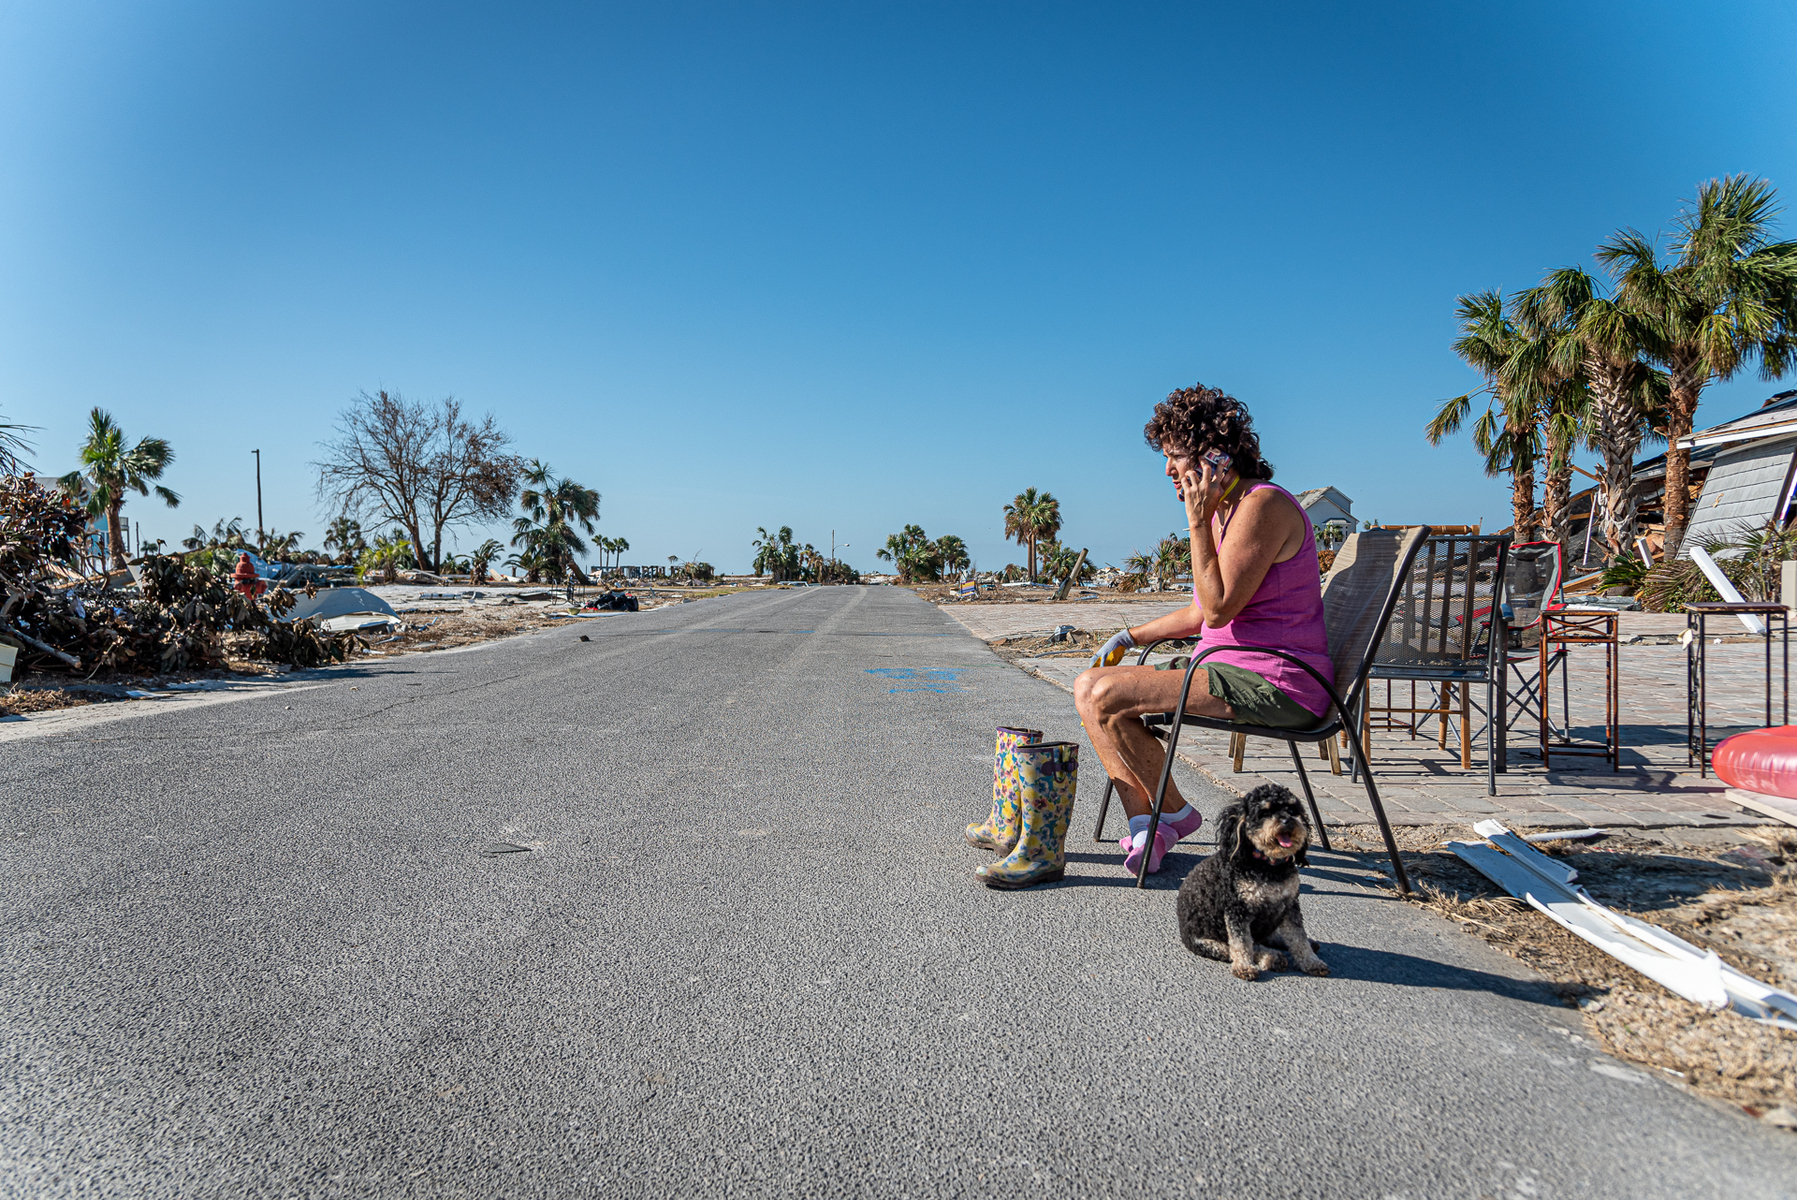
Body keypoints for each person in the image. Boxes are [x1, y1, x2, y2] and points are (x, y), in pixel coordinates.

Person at [1073, 383, 1332, 877]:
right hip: (1228, 671)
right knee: (1089, 687)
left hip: (1277, 682)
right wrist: (1129, 638)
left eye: (1175, 456)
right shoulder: (1229, 511)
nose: (1168, 469)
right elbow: (1198, 613)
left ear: (1215, 455)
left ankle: (1169, 816)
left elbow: (1215, 611)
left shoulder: (1262, 507)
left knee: (1102, 694)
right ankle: (1152, 822)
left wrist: (1196, 522)